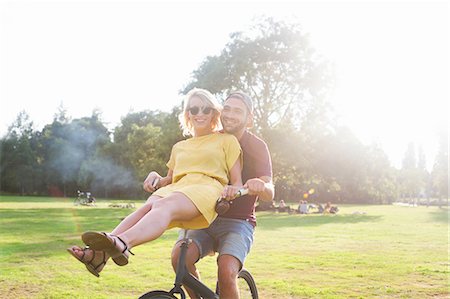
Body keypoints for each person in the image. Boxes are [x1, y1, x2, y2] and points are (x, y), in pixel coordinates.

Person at [67, 88, 243, 277]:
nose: (200, 114)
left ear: (214, 113)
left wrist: (233, 191)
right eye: (194, 110)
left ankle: (123, 242)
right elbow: (169, 179)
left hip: (206, 188)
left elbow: (237, 182)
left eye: (206, 109)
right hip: (178, 188)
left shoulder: (227, 141)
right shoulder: (179, 147)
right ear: (187, 115)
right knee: (148, 206)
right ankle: (99, 254)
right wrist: (154, 175)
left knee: (164, 204)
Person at [169, 91, 274, 299]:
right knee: (179, 257)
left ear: (249, 119)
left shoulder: (257, 146)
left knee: (226, 271)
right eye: (227, 108)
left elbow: (270, 191)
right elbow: (181, 169)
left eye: (238, 111)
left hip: (238, 222)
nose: (230, 114)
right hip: (204, 217)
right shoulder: (209, 139)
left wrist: (260, 185)